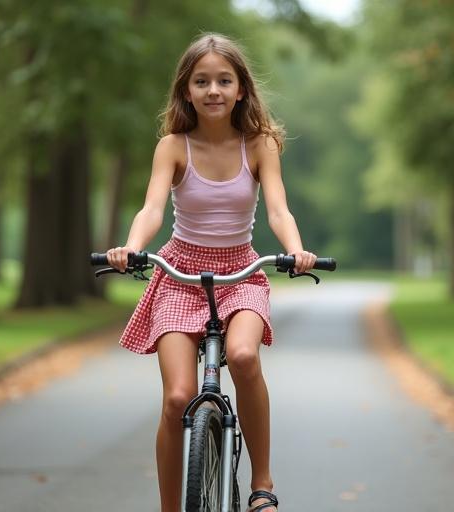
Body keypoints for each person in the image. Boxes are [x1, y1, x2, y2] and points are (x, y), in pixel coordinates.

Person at [107, 33, 316, 512]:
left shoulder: (260, 145)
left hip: (241, 271)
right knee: (178, 396)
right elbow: (152, 208)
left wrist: (297, 251)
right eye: (202, 81)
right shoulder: (173, 146)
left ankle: (261, 484)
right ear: (186, 90)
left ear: (241, 88)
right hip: (180, 273)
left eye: (224, 80)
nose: (214, 90)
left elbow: (279, 211)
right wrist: (133, 248)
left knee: (243, 357)